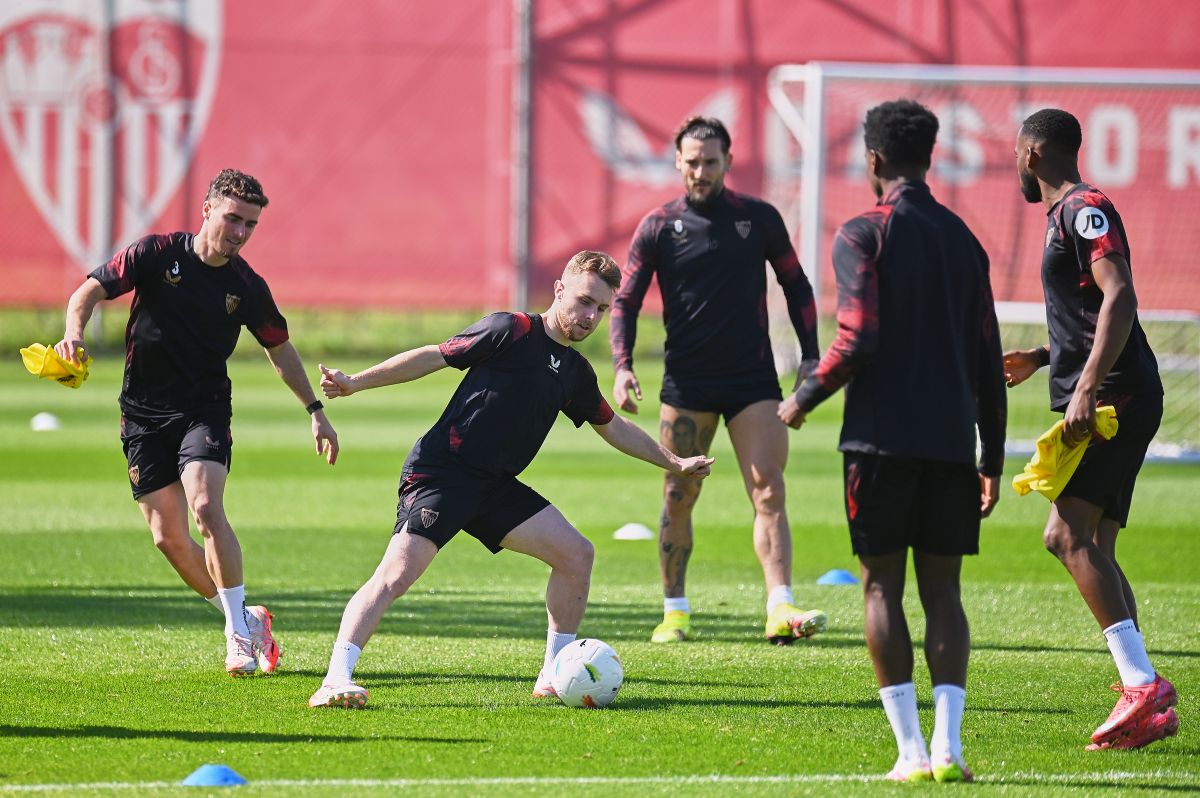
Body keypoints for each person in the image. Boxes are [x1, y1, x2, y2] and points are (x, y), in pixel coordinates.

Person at [307, 251, 713, 709]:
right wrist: (355, 382)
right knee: (396, 574)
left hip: (494, 486)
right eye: (584, 301)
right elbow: (433, 356)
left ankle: (553, 674)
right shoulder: (511, 329)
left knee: (576, 554)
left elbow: (613, 427)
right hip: (443, 474)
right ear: (559, 290)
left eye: (601, 308)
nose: (590, 316)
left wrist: (674, 462)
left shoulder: (575, 372)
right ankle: (335, 679)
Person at [778, 100, 1006, 782]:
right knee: (944, 593)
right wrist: (991, 457)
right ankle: (949, 747)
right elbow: (988, 360)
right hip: (951, 445)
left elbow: (857, 337)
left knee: (881, 587)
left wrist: (802, 398)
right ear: (930, 157)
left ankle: (909, 752)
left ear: (872, 159)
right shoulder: (966, 242)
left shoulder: (862, 233)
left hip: (879, 444)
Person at [54, 169, 339, 677]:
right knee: (168, 538)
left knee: (205, 506)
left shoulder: (246, 286)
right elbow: (88, 292)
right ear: (207, 210)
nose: (240, 232)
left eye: (250, 225)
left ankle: (236, 637)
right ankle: (246, 619)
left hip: (203, 410)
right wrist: (73, 333)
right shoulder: (156, 253)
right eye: (233, 219)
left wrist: (315, 410)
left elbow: (279, 349)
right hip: (141, 413)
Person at [609, 115, 826, 645]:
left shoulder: (759, 218)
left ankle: (780, 607)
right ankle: (675, 613)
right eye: (692, 162)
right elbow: (626, 301)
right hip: (688, 383)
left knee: (768, 488)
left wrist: (811, 357)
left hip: (753, 380)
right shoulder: (658, 226)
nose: (700, 171)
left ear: (728, 161)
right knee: (678, 494)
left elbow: (797, 285)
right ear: (677, 162)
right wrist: (622, 365)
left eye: (710, 162)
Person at [1005, 108, 1177, 750]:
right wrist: (1042, 356)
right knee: (1096, 544)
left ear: (1031, 153)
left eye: (1017, 153)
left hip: (1115, 396)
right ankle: (1148, 698)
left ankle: (1141, 684)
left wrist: (1084, 386)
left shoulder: (1084, 208)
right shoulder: (1065, 215)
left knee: (1065, 535)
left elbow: (1120, 295)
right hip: (1115, 390)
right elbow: (1087, 315)